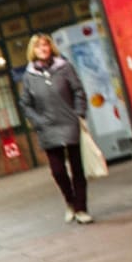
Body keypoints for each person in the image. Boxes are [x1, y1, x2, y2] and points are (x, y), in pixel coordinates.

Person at [18, 33, 92, 223]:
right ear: (32, 51)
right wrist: (38, 121)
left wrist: (79, 113)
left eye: (45, 45)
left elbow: (78, 90)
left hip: (69, 122)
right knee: (58, 171)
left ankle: (81, 209)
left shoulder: (64, 67)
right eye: (38, 46)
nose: (43, 49)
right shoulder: (29, 76)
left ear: (51, 48)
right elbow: (26, 103)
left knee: (77, 169)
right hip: (47, 127)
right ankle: (70, 202)